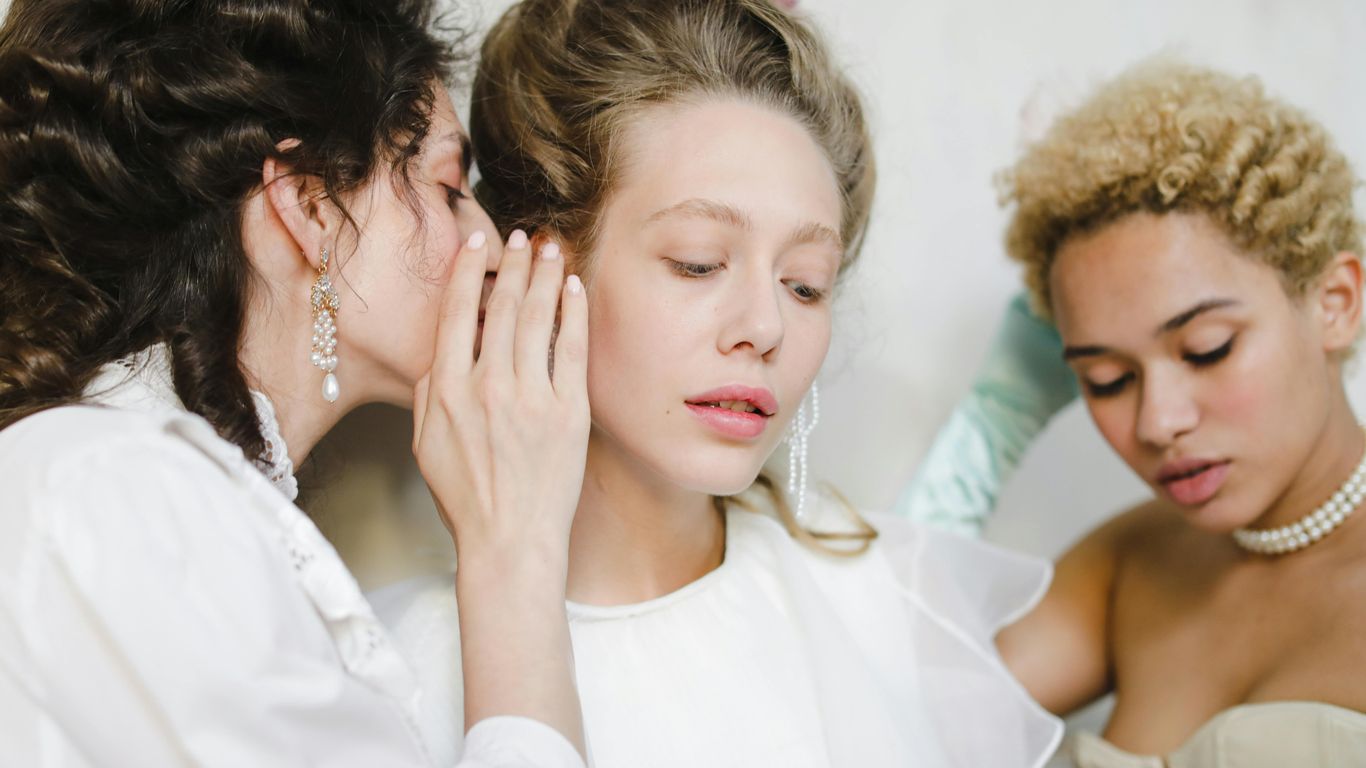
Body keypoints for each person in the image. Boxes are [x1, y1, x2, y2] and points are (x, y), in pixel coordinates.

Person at [374, 1, 1062, 766]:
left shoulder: (879, 600)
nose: (765, 327)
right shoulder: (391, 679)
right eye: (699, 262)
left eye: (805, 285)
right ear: (538, 261)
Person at [0, 0, 591, 764]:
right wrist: (513, 552)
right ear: (311, 206)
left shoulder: (145, 487)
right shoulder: (121, 489)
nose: (493, 242)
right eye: (450, 187)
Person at [994, 60, 1366, 766]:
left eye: (1207, 349)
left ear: (1335, 303)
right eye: (1105, 380)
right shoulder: (1132, 561)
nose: (1157, 423)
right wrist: (989, 427)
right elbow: (887, 712)